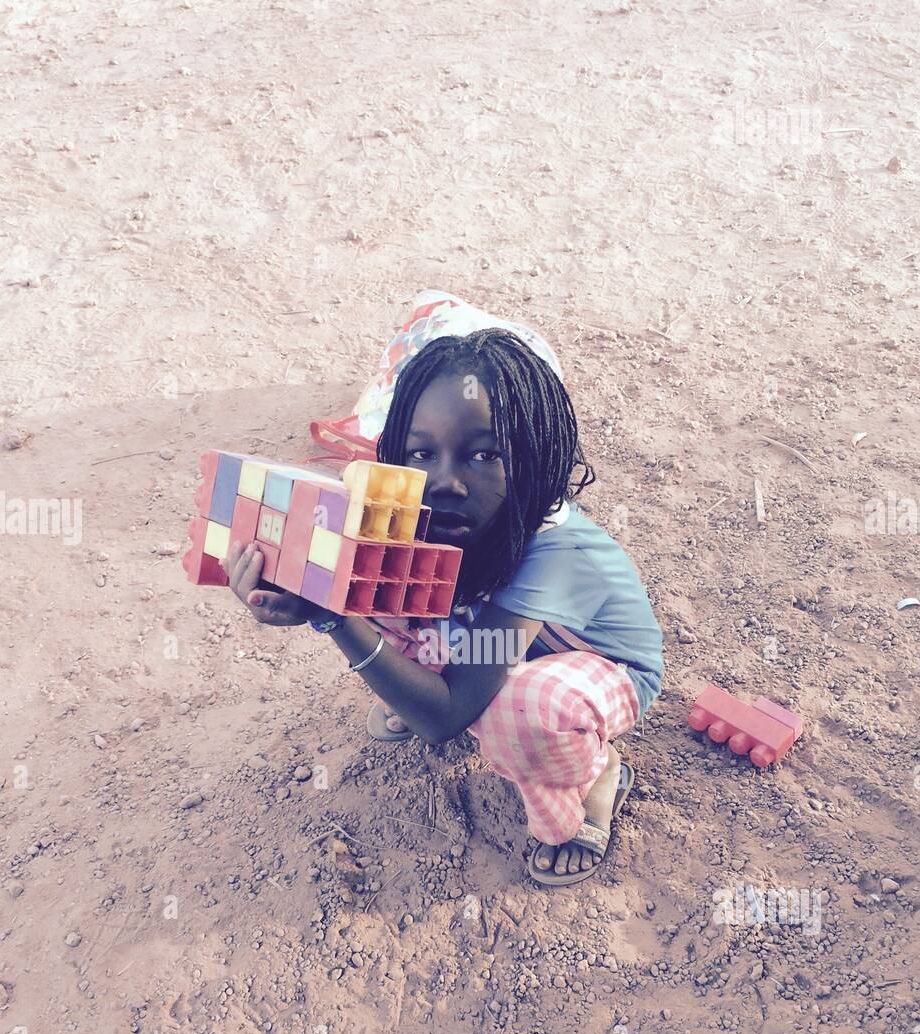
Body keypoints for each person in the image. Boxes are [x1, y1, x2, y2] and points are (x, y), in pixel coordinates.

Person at [224, 328, 663, 885]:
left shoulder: (559, 551)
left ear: (531, 459)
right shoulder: (433, 506)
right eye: (422, 452)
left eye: (485, 454)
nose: (445, 480)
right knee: (372, 573)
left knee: (522, 711)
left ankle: (594, 782)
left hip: (599, 671)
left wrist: (333, 617)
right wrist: (299, 586)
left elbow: (446, 718)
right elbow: (343, 569)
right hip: (494, 641)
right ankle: (425, 678)